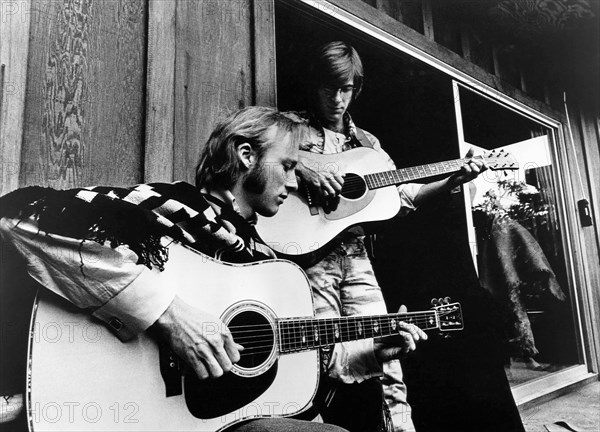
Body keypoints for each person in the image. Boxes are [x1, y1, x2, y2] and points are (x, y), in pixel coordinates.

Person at [0, 107, 360, 432]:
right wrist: (168, 314)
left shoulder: (265, 262)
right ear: (247, 156)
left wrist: (371, 353)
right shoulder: (175, 205)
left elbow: (286, 353)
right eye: (287, 166)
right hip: (110, 395)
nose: (295, 183)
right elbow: (22, 217)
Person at [292, 42, 487, 432]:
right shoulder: (288, 128)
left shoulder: (369, 146)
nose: (337, 98)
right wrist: (304, 165)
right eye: (329, 87)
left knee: (388, 346)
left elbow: (404, 197)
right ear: (315, 85)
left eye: (346, 89)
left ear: (356, 89)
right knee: (317, 354)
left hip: (356, 254)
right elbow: (254, 155)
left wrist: (453, 180)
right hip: (309, 255)